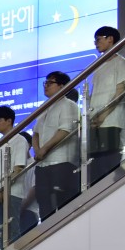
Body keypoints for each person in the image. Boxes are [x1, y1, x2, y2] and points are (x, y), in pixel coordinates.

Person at [33, 71, 80, 220]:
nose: (46, 86)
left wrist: (44, 149)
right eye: (45, 83)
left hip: (61, 162)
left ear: (61, 86)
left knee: (63, 206)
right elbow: (35, 134)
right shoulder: (44, 108)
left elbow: (65, 130)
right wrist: (37, 150)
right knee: (44, 208)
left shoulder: (69, 105)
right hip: (42, 165)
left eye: (50, 83)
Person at [87, 26, 125, 184]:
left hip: (111, 121)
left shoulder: (120, 62)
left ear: (110, 39)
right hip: (95, 121)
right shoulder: (98, 65)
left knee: (108, 163)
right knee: (95, 166)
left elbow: (120, 90)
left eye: (98, 39)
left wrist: (104, 114)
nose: (96, 43)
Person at [0, 106, 31, 247]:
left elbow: (18, 168)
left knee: (12, 231)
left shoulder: (20, 140)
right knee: (0, 231)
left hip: (12, 193)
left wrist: (2, 190)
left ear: (9, 121)